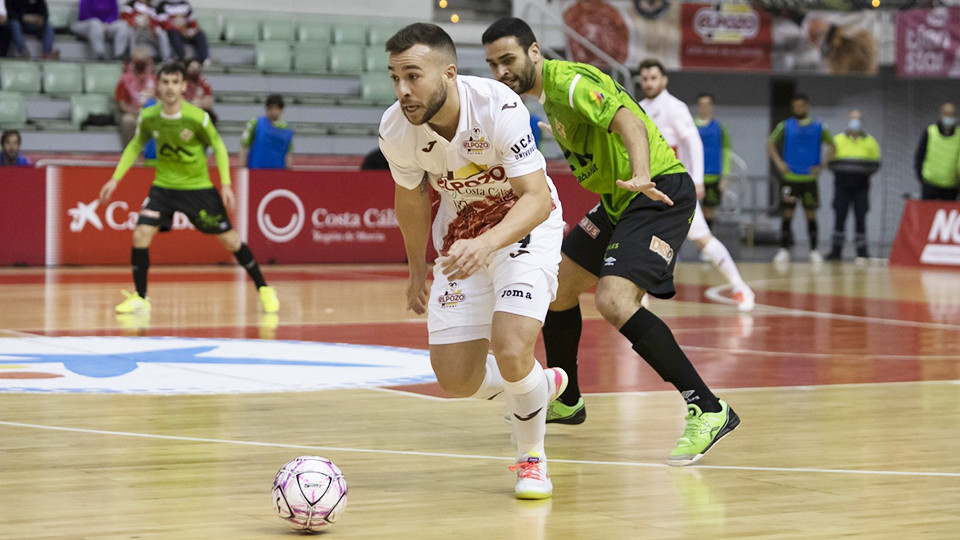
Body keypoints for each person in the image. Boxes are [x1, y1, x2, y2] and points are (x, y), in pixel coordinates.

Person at [482, 17, 740, 466]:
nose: (501, 71)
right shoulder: (543, 99)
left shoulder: (571, 82)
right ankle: (569, 399)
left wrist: (640, 173)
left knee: (615, 300)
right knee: (559, 288)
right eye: (492, 64)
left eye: (508, 59)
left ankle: (709, 407)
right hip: (620, 199)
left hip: (656, 190)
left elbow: (629, 121)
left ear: (535, 52)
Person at [380, 23, 569, 499]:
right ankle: (534, 386)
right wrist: (416, 269)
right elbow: (412, 200)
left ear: (449, 72)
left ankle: (531, 458)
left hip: (524, 229)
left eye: (413, 76)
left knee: (510, 347)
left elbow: (536, 199)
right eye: (394, 78)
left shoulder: (499, 105)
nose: (403, 90)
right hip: (461, 239)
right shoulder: (396, 129)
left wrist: (489, 244)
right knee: (455, 379)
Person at [97, 61, 279, 315]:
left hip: (198, 189)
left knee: (230, 240)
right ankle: (141, 297)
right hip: (164, 187)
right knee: (141, 234)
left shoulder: (197, 118)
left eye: (175, 82)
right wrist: (115, 179)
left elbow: (218, 146)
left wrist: (225, 183)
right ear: (158, 86)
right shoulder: (149, 117)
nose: (170, 87)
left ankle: (264, 288)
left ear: (183, 86)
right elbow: (136, 145)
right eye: (165, 82)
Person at [637, 60, 755, 312]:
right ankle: (638, 298)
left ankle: (740, 287)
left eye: (653, 78)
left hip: (677, 188)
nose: (648, 83)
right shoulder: (640, 108)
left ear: (664, 80)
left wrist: (697, 179)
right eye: (644, 78)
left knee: (702, 238)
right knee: (639, 239)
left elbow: (693, 143)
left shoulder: (674, 107)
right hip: (651, 188)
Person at [767, 93, 835, 263]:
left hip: (809, 180)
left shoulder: (819, 126)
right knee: (787, 214)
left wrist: (823, 165)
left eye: (801, 106)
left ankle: (813, 250)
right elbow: (770, 143)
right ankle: (784, 249)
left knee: (810, 215)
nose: (798, 109)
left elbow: (832, 146)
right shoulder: (785, 125)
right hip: (790, 178)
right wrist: (779, 163)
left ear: (807, 107)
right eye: (795, 106)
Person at [826, 110, 880, 261]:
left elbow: (876, 164)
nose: (855, 122)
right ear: (847, 121)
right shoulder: (837, 140)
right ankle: (836, 251)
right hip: (841, 186)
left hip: (861, 187)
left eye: (858, 119)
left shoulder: (870, 142)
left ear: (862, 122)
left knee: (861, 218)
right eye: (852, 119)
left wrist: (861, 173)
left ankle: (862, 252)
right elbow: (829, 162)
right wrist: (843, 172)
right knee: (839, 218)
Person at [694, 93, 730, 230]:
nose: (704, 107)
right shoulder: (690, 126)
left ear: (712, 106)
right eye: (701, 104)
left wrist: (725, 177)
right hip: (695, 177)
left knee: (709, 212)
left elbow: (726, 151)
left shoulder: (720, 128)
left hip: (713, 176)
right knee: (692, 212)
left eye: (707, 104)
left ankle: (706, 247)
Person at [914, 102, 959, 201]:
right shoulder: (930, 132)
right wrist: (922, 179)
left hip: (950, 188)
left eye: (952, 114)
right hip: (930, 186)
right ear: (941, 114)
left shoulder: (958, 135)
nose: (949, 117)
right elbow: (920, 156)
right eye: (947, 114)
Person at [115, 47, 156, 145]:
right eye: (138, 61)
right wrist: (136, 112)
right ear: (133, 61)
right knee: (127, 120)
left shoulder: (155, 78)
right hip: (133, 112)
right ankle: (128, 151)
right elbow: (121, 103)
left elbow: (160, 98)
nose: (141, 63)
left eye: (143, 60)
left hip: (152, 112)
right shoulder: (125, 79)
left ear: (148, 61)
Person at [240, 94, 293, 170]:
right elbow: (244, 147)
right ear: (267, 108)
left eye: (277, 108)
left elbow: (288, 154)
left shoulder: (287, 129)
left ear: (281, 110)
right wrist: (241, 169)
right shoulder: (255, 123)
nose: (275, 112)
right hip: (256, 172)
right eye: (272, 108)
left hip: (278, 174)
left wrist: (289, 173)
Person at [156, 0, 208, 64]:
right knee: (174, 33)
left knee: (200, 34)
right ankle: (181, 58)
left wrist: (192, 31)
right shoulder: (162, 5)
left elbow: (192, 22)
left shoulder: (185, 4)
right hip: (173, 31)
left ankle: (203, 59)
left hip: (186, 31)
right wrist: (181, 30)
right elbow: (163, 23)